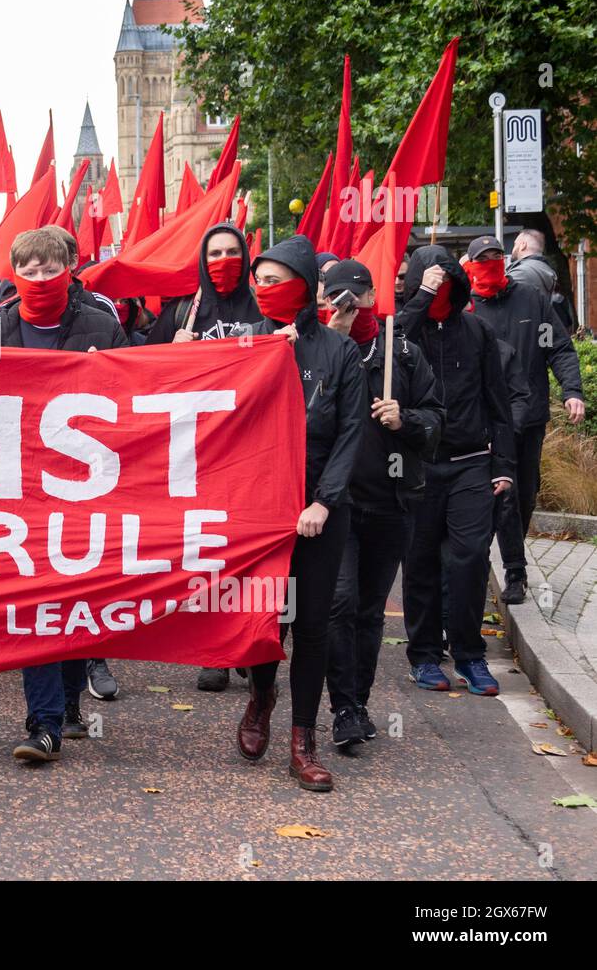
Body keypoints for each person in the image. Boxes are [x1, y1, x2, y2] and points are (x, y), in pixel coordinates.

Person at [0, 227, 128, 762]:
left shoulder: (101, 325)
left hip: (86, 486)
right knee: (36, 600)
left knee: (75, 599)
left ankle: (67, 705)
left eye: (49, 269)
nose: (40, 278)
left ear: (68, 270)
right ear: (15, 276)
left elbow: (137, 398)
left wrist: (110, 372)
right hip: (21, 486)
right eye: (30, 270)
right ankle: (42, 723)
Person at [238, 235, 366, 792]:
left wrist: (323, 500)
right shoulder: (245, 345)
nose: (263, 290)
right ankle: (261, 697)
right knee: (269, 621)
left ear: (304, 286)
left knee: (313, 625)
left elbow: (350, 433)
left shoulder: (339, 354)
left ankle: (303, 740)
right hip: (260, 512)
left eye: (274, 280)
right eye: (257, 281)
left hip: (318, 512)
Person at [321, 260, 443, 749]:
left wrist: (406, 419)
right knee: (340, 603)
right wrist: (331, 345)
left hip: (392, 502)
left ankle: (357, 703)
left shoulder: (405, 354)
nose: (350, 306)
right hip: (337, 503)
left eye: (357, 296)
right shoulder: (318, 351)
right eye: (337, 298)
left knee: (370, 610)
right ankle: (340, 706)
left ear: (374, 295)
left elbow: (437, 420)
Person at [146, 222, 263, 693]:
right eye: (214, 252)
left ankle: (251, 642)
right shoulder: (182, 311)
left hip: (254, 446)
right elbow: (143, 367)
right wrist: (168, 352)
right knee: (207, 550)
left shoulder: (264, 307)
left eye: (232, 251)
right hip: (200, 453)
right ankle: (216, 648)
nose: (223, 261)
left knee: (251, 550)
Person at [397, 245, 515, 697]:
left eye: (445, 281)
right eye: (430, 281)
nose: (439, 288)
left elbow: (498, 402)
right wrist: (420, 299)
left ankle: (470, 654)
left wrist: (504, 465)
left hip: (471, 463)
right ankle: (425, 655)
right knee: (421, 563)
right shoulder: (407, 329)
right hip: (421, 463)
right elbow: (391, 347)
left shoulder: (478, 332)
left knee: (469, 558)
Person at [464, 235, 584, 605]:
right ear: (470, 265)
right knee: (502, 495)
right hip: (482, 425)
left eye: (497, 256)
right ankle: (508, 571)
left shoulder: (531, 299)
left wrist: (572, 391)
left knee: (524, 493)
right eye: (483, 258)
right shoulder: (463, 306)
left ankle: (502, 564)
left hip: (527, 418)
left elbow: (559, 348)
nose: (491, 262)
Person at [510, 228, 577, 334]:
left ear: (523, 245)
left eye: (515, 244)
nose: (513, 249)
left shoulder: (521, 273)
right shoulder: (545, 269)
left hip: (528, 338)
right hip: (544, 335)